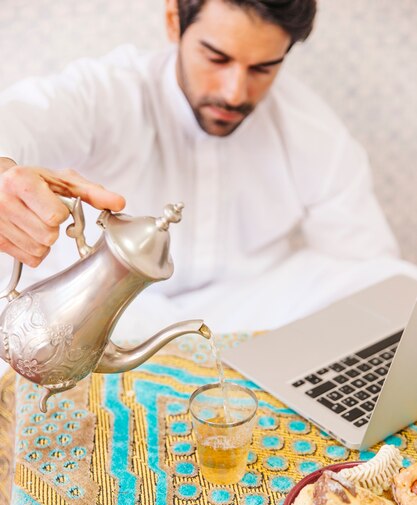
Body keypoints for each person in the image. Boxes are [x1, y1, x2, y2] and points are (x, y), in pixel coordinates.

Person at [0, 0, 415, 349]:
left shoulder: (313, 130)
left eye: (263, 68)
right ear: (172, 21)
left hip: (248, 315)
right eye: (217, 58)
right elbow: (16, 118)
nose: (235, 92)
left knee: (401, 284)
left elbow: (366, 271)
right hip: (110, 311)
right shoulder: (110, 91)